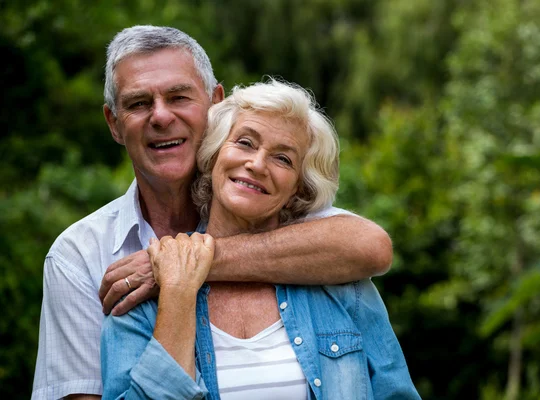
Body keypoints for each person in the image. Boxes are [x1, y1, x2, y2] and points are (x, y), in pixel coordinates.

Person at [32, 26, 394, 400]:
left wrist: (189, 260)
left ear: (215, 103)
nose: (160, 116)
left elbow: (372, 247)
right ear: (114, 123)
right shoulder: (80, 258)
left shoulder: (292, 221)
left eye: (179, 96)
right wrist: (177, 282)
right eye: (138, 103)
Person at [101, 78, 420, 399]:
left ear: (299, 188)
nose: (256, 164)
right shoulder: (144, 292)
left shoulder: (343, 288)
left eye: (283, 159)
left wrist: (203, 260)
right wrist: (178, 292)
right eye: (244, 143)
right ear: (213, 156)